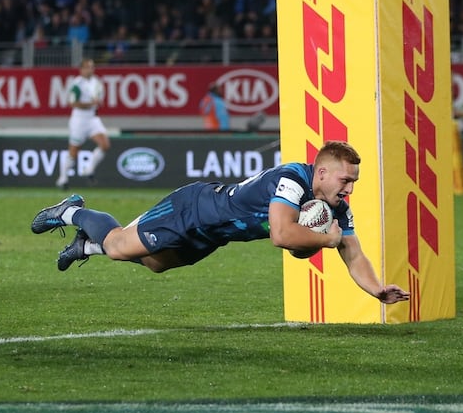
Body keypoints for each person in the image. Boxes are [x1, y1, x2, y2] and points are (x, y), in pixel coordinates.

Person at [31, 141, 411, 306]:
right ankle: (71, 211)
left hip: (216, 235)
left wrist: (376, 289)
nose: (349, 190)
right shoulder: (293, 179)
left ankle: (86, 245)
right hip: (194, 209)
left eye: (354, 183)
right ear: (322, 172)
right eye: (346, 181)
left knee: (155, 263)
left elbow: (353, 252)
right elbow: (281, 235)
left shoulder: (335, 205)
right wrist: (325, 241)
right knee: (118, 247)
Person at [55, 58, 110, 189]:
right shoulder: (77, 84)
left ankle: (89, 169)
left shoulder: (96, 82)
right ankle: (62, 179)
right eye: (87, 67)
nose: (90, 69)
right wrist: (91, 104)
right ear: (81, 69)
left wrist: (96, 103)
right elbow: (73, 103)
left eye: (92, 67)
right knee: (74, 151)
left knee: (105, 144)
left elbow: (99, 98)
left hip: (92, 118)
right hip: (79, 120)